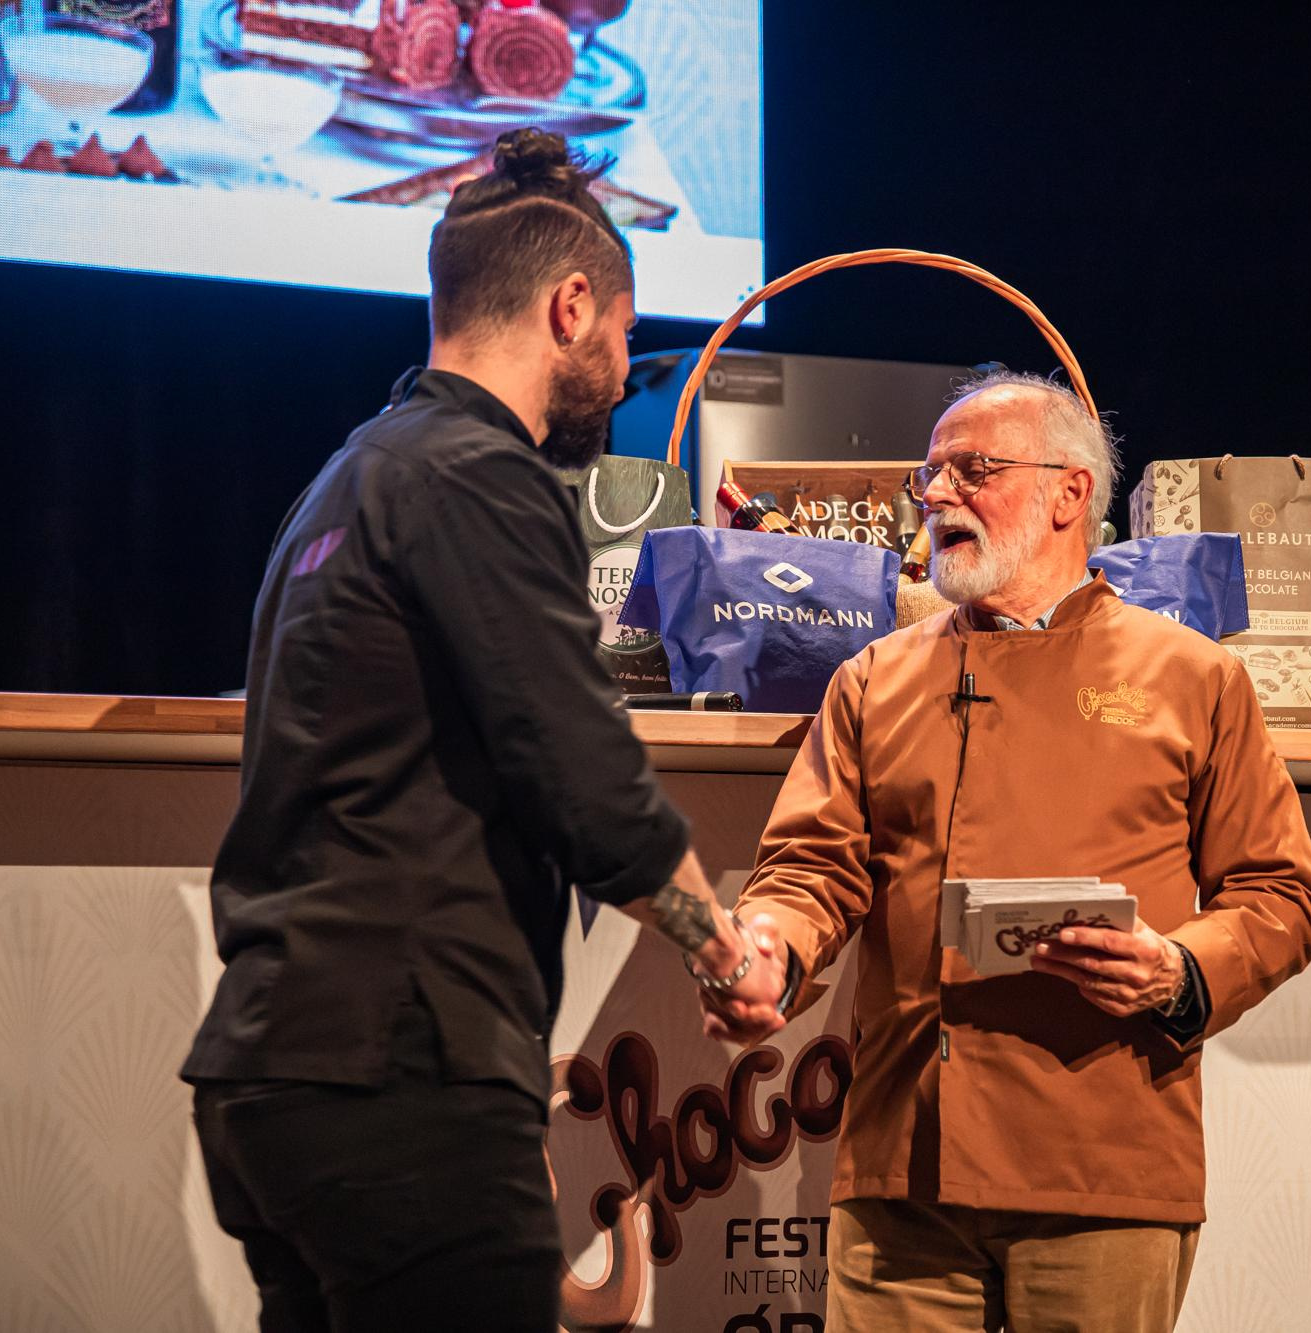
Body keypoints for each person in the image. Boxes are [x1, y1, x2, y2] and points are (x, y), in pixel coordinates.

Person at [180, 130, 785, 1333]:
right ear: (571, 307)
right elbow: (587, 786)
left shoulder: (342, 480)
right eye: (622, 333)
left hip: (266, 1077)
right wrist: (725, 954)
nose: (623, 370)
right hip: (403, 1076)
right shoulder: (481, 476)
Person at [699, 370, 1311, 1333]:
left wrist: (1178, 969)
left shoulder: (1193, 677)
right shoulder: (874, 678)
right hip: (905, 1162)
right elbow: (809, 869)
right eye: (932, 475)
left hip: (1106, 1157)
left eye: (974, 470)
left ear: (1069, 493)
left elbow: (1280, 892)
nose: (939, 494)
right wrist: (769, 946)